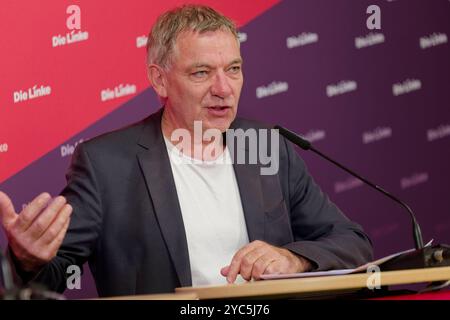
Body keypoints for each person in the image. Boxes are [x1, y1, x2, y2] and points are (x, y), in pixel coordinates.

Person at [0, 5, 373, 297]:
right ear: (159, 79)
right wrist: (26, 259)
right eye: (201, 73)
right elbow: (48, 281)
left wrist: (293, 259)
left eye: (234, 68)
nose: (224, 89)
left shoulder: (265, 147)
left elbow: (351, 243)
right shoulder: (105, 165)